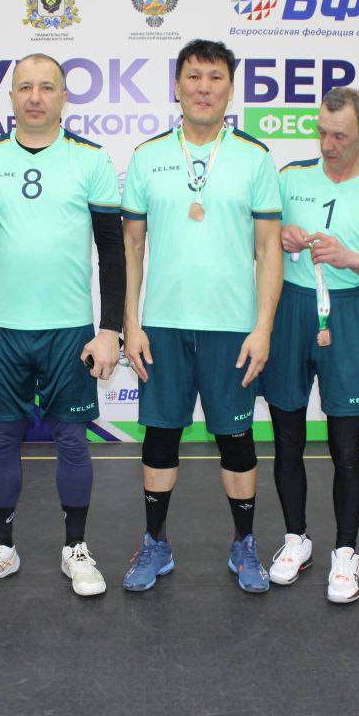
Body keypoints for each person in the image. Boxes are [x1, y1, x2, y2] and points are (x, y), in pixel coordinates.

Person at [0, 54, 123, 597]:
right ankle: (1, 549)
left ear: (64, 97)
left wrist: (110, 329)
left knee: (71, 438)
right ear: (11, 96)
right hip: (3, 327)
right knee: (1, 437)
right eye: (25, 86)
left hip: (69, 329)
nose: (36, 97)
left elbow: (112, 252)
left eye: (47, 87)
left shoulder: (90, 159)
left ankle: (76, 549)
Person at [121, 39, 283, 595]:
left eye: (216, 77)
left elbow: (269, 249)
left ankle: (244, 544)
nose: (204, 88)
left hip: (232, 325)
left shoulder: (255, 158)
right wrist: (131, 323)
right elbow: (132, 247)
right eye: (193, 76)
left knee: (235, 438)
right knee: (160, 436)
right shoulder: (147, 156)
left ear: (230, 88)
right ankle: (155, 543)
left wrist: (263, 327)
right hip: (163, 324)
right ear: (177, 86)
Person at [263, 87, 359, 603]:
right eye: (322, 133)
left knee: (346, 447)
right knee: (287, 440)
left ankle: (346, 552)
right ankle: (296, 539)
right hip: (289, 309)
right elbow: (257, 240)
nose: (328, 145)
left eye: (340, 136)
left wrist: (352, 258)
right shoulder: (289, 178)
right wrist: (280, 237)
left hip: (345, 315)